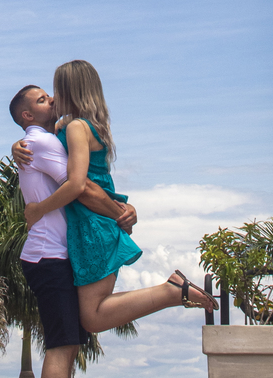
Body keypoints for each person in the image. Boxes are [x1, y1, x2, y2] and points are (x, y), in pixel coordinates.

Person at [14, 60, 216, 337]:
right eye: (47, 96)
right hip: (95, 224)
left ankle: (171, 292)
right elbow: (46, 144)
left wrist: (37, 210)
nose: (52, 98)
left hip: (91, 226)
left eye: (55, 91)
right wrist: (19, 143)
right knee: (93, 316)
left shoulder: (73, 128)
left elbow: (79, 186)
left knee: (94, 318)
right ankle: (171, 291)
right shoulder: (77, 126)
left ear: (69, 90)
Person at [8, 82, 137, 378]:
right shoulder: (44, 143)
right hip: (49, 257)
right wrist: (121, 212)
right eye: (42, 99)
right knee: (61, 345)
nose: (52, 100)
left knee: (66, 342)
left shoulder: (41, 140)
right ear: (28, 116)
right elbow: (82, 187)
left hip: (51, 256)